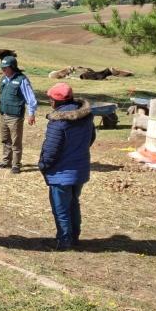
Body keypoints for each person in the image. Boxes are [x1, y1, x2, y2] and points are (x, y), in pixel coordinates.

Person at [38, 83, 95, 250]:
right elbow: (91, 138)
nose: (49, 101)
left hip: (61, 173)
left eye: (50, 99)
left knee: (61, 209)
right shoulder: (86, 117)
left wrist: (43, 165)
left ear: (56, 101)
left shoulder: (58, 122)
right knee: (73, 204)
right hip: (80, 170)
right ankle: (74, 236)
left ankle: (64, 240)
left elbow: (51, 149)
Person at [0, 56, 37, 174]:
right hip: (4, 114)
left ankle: (16, 165)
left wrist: (31, 114)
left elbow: (31, 98)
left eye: (5, 68)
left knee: (15, 141)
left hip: (15, 117)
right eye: (2, 68)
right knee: (5, 139)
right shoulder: (4, 79)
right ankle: (6, 161)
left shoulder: (22, 80)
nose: (3, 70)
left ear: (12, 67)